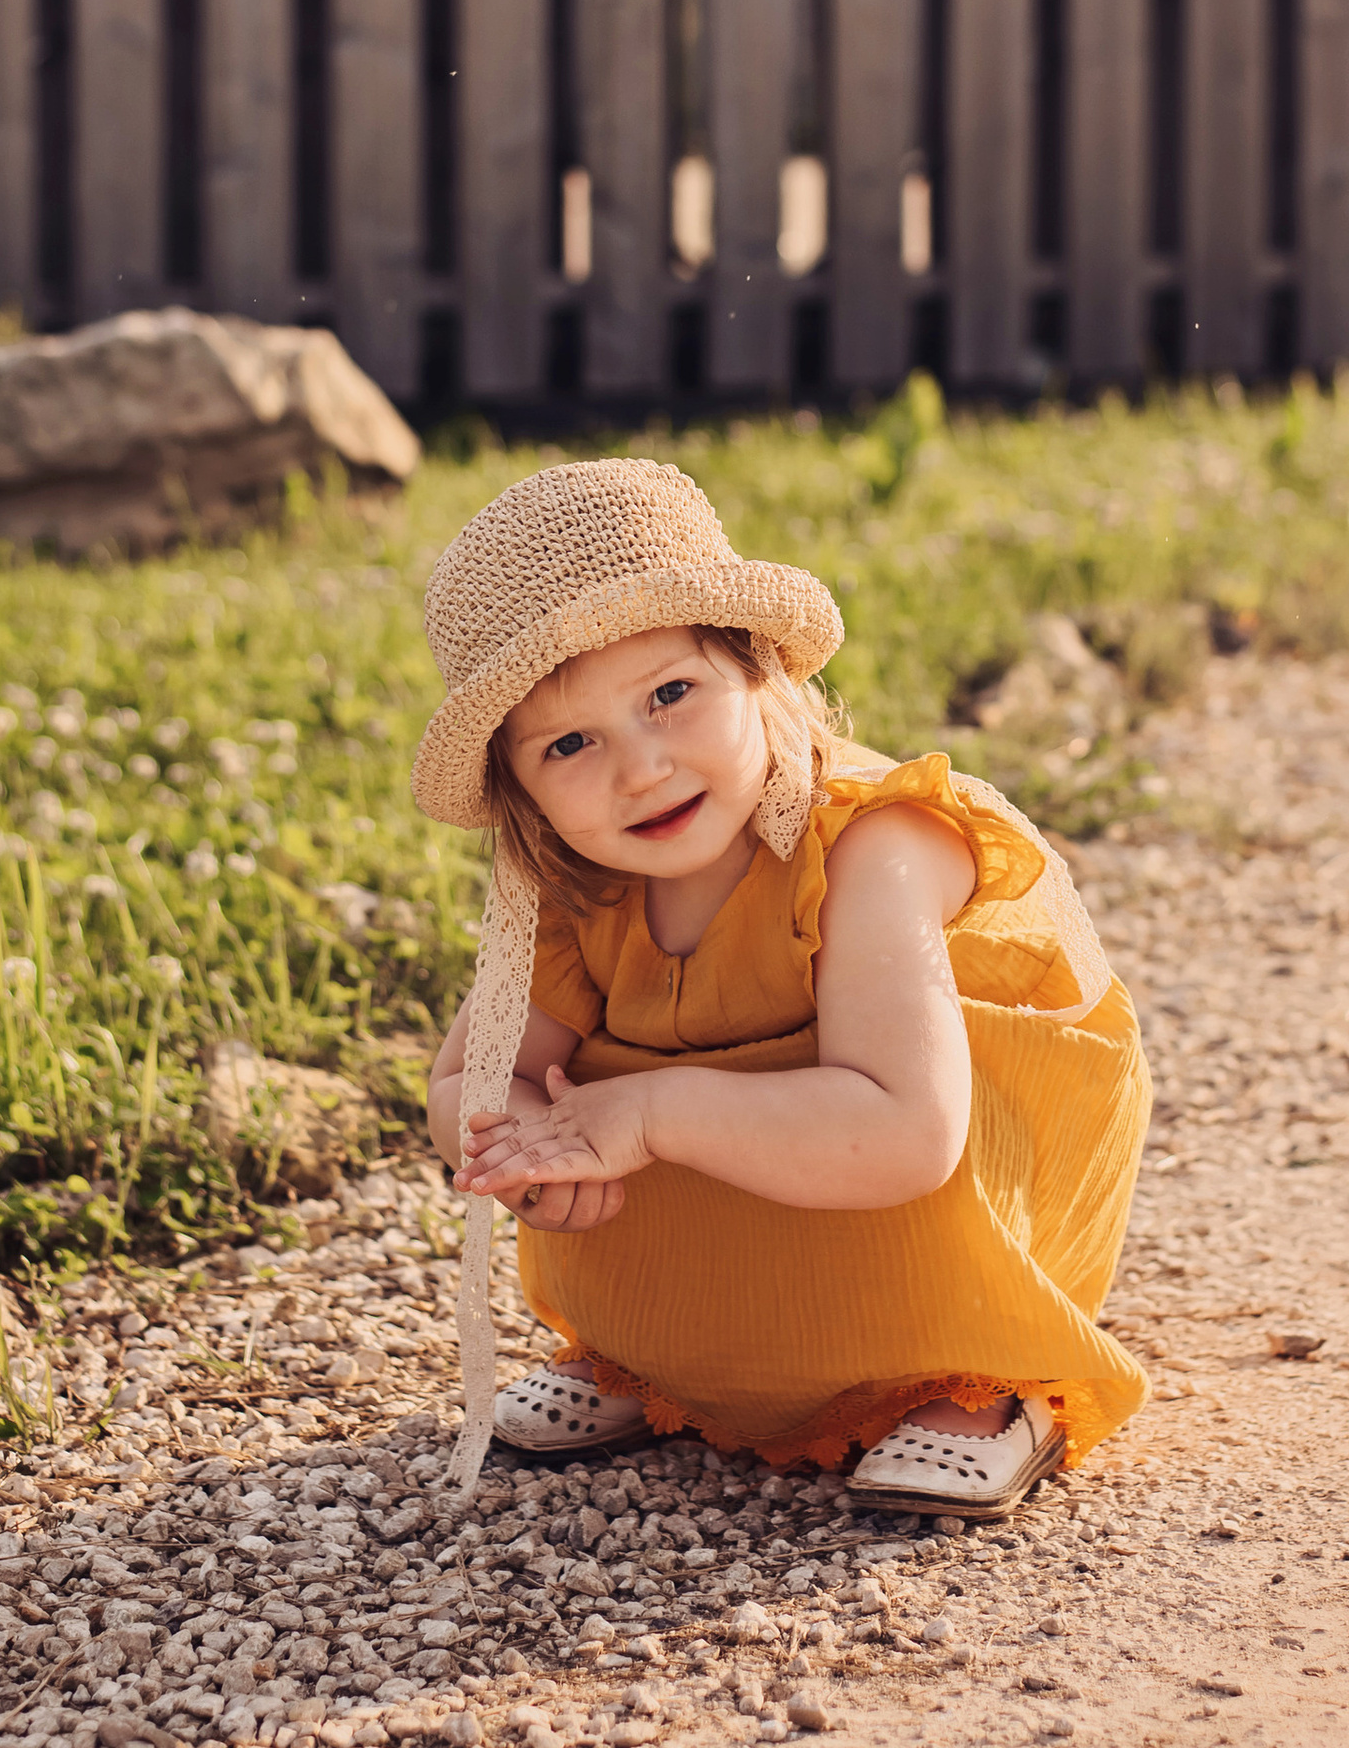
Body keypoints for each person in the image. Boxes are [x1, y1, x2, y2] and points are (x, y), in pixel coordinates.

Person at [417, 458, 1150, 1516]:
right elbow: (466, 1085)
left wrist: (653, 1109)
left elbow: (907, 1129)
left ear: (760, 673)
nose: (642, 768)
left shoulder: (870, 846)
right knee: (585, 1097)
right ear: (519, 789)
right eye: (569, 744)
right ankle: (654, 1358)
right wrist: (526, 1152)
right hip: (753, 1242)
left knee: (666, 1102)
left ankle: (979, 1381)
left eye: (670, 694)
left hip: (922, 1191)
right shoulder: (574, 888)